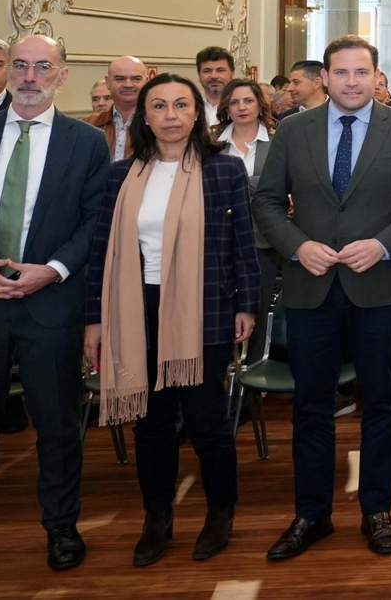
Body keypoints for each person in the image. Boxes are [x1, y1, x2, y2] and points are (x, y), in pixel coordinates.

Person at [253, 36, 391, 560]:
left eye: (362, 72)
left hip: (378, 287)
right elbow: (266, 202)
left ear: (377, 76)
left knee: (381, 402)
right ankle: (311, 514)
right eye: (341, 72)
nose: (352, 81)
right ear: (325, 78)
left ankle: (377, 510)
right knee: (311, 406)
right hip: (310, 288)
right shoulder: (293, 130)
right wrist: (297, 246)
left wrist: (383, 244)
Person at [85, 74, 259, 566]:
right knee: (151, 424)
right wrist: (93, 319)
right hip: (135, 307)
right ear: (144, 116)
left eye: (181, 105)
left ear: (197, 113)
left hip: (204, 306)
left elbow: (242, 244)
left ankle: (220, 511)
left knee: (207, 422)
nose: (170, 115)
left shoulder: (224, 168)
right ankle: (156, 517)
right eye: (158, 106)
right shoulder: (122, 174)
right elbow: (100, 250)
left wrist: (246, 305)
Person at [0, 35, 109, 571]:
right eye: (20, 65)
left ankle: (61, 525)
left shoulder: (86, 143)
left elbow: (95, 221)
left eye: (43, 67)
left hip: (52, 303)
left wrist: (53, 270)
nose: (29, 77)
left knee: (58, 425)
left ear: (62, 76)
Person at [214, 79, 278, 364]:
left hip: (263, 239)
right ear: (226, 108)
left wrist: (235, 185)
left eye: (248, 101)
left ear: (260, 105)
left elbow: (278, 189)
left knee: (258, 308)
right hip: (218, 239)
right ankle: (221, 371)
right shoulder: (211, 144)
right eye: (234, 102)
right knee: (219, 309)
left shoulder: (277, 142)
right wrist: (254, 185)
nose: (241, 107)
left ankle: (253, 371)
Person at [92, 55, 151, 162]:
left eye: (136, 79)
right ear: (108, 82)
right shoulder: (90, 125)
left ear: (146, 82)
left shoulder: (158, 125)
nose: (128, 85)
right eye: (120, 79)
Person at [193, 47, 233, 129]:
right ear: (199, 75)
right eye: (207, 71)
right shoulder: (190, 106)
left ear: (232, 73)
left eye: (220, 70)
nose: (214, 76)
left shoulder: (242, 108)